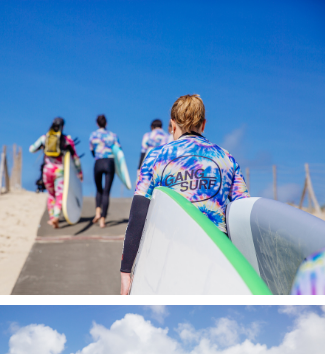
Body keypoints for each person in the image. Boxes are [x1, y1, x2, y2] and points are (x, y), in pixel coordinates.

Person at [120, 94, 250, 294]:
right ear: (204, 125)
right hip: (216, 260)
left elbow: (138, 214)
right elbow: (244, 213)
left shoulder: (155, 157)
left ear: (172, 125)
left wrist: (126, 271)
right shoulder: (226, 159)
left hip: (167, 258)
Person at [29, 118, 82, 228]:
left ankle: (52, 217)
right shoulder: (67, 140)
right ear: (63, 127)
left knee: (51, 194)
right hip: (60, 171)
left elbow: (31, 149)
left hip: (47, 170)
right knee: (59, 195)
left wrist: (43, 147)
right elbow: (75, 158)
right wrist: (79, 172)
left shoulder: (45, 138)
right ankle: (57, 216)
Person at [88, 115, 120, 228]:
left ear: (97, 124)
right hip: (110, 163)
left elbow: (92, 151)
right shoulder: (113, 136)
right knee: (106, 192)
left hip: (98, 162)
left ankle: (97, 212)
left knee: (99, 190)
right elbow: (118, 151)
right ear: (106, 123)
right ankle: (103, 220)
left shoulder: (93, 135)